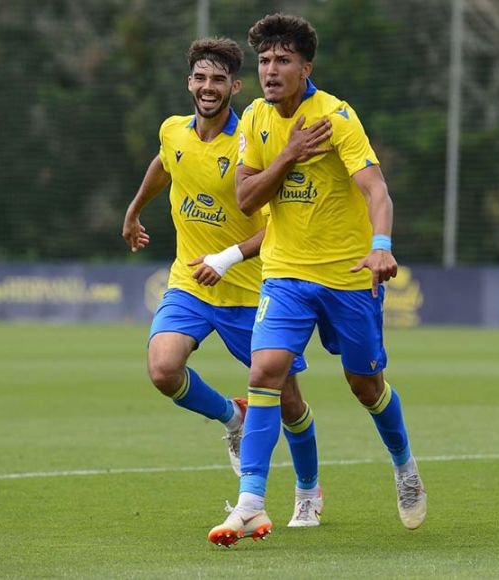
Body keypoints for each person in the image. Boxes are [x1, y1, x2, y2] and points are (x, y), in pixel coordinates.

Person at [208, 14, 427, 546]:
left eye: (283, 60)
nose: (270, 70)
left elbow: (377, 191)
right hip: (284, 273)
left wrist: (381, 247)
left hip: (347, 276)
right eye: (263, 61)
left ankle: (404, 466)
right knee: (266, 372)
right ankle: (251, 503)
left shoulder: (337, 117)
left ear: (306, 67)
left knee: (364, 386)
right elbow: (246, 198)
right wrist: (287, 154)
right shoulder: (257, 118)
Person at [121, 38, 324, 530]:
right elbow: (165, 163)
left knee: (289, 402)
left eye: (218, 80)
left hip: (252, 291)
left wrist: (229, 258)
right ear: (189, 82)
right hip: (190, 285)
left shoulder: (249, 141)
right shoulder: (173, 131)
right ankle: (233, 418)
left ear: (235, 86)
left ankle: (308, 492)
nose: (208, 88)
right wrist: (134, 210)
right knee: (163, 370)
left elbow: (279, 221)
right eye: (200, 78)